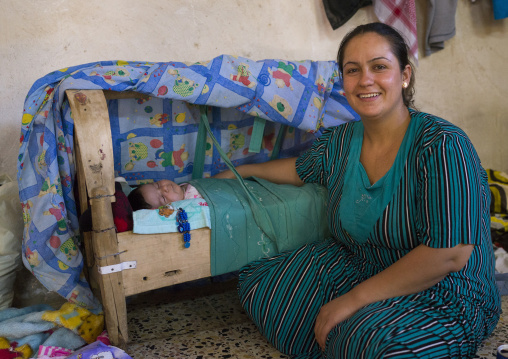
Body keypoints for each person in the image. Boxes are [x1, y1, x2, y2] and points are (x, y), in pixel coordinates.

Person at [212, 22, 500, 358]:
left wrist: (354, 299)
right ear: (345, 83)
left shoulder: (442, 144)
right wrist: (240, 171)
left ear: (404, 75)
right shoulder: (342, 140)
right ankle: (344, 336)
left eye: (379, 66)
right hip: (362, 264)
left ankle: (358, 334)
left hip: (442, 288)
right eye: (353, 70)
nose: (365, 80)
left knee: (366, 341)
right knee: (263, 285)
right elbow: (298, 169)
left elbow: (450, 253)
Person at [127, 179, 203, 210]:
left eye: (157, 185)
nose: (164, 188)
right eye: (163, 198)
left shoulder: (183, 187)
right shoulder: (193, 204)